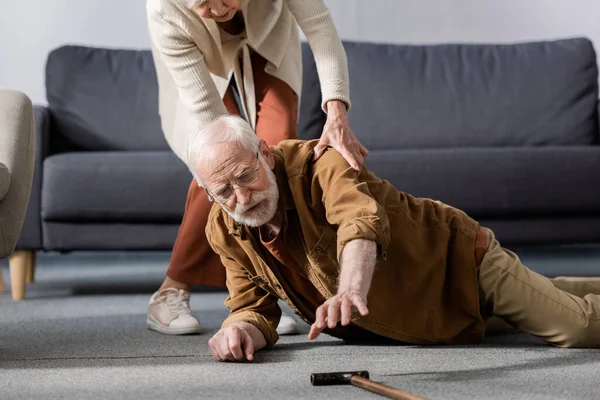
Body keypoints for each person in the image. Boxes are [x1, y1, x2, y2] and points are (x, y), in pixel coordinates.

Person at [183, 115, 600, 362]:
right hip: (423, 314)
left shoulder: (319, 164)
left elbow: (359, 220)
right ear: (208, 194)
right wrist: (238, 331)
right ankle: (537, 292)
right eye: (224, 191)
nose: (242, 197)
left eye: (245, 175)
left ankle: (532, 294)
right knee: (543, 297)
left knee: (575, 327)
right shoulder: (223, 228)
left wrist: (349, 289)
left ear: (265, 154)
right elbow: (251, 307)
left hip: (459, 265)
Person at [146, 0, 368, 335]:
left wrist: (336, 113)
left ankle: (273, 291)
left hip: (269, 45)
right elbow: (210, 126)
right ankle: (170, 289)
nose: (219, 9)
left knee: (273, 156)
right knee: (221, 163)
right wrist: (223, 163)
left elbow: (320, 28)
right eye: (203, 3)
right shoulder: (165, 9)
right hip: (200, 64)